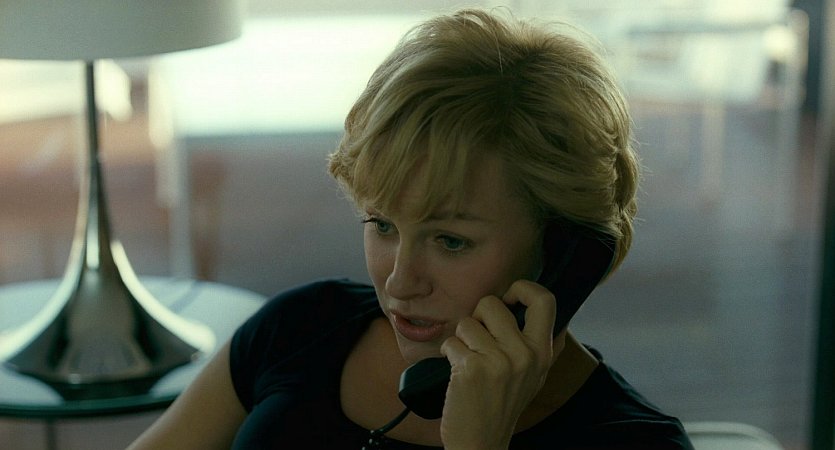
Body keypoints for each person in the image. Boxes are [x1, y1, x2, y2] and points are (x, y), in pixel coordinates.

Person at [129, 8, 694, 449]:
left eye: (451, 241)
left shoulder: (636, 443)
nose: (400, 282)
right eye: (382, 224)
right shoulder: (299, 329)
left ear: (566, 247)